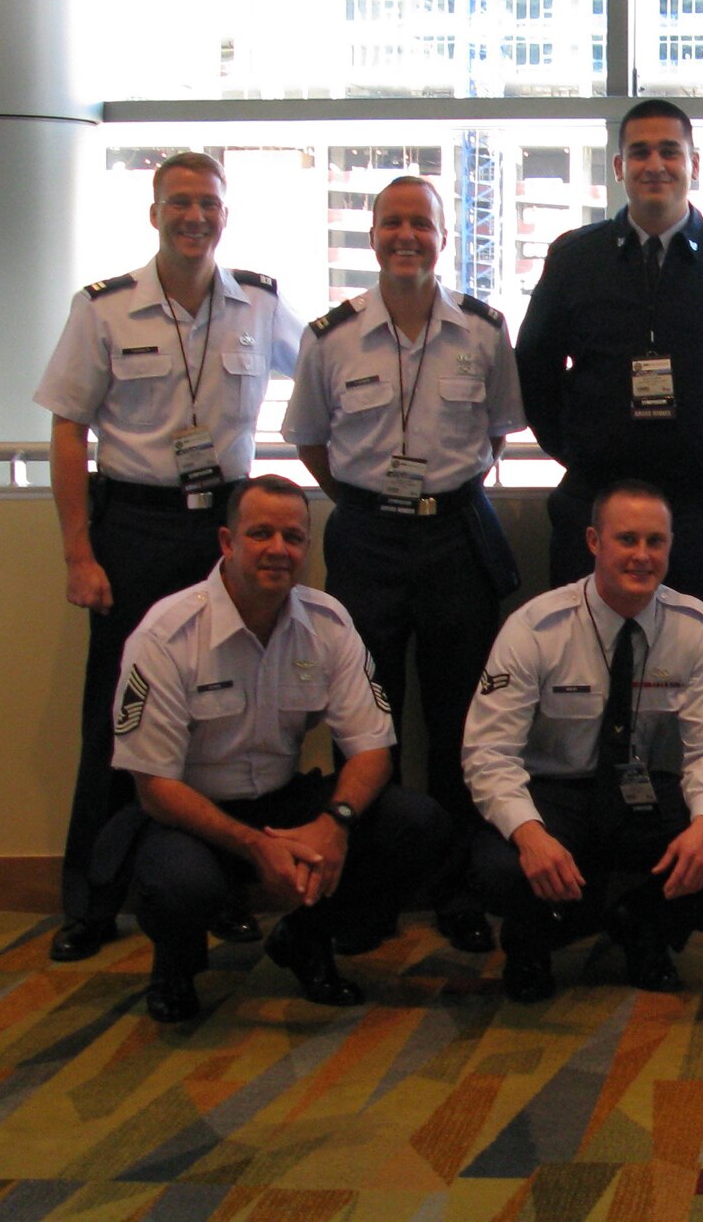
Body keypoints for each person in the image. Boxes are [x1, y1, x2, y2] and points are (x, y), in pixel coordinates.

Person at [34, 151, 301, 962]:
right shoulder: (105, 309)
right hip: (137, 528)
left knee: (226, 716)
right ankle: (93, 898)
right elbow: (68, 429)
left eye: (209, 205)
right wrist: (79, 553)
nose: (195, 218)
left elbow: (330, 366)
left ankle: (219, 892)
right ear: (154, 214)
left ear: (226, 214)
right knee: (119, 718)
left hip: (224, 534)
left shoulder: (260, 303)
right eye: (179, 204)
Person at [281, 176, 525, 957]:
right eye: (392, 222)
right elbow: (312, 442)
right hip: (366, 544)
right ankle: (370, 894)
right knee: (365, 725)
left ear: (445, 236)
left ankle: (456, 890)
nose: (406, 235)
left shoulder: (484, 333)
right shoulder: (331, 336)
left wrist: (430, 500)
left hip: (455, 539)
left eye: (422, 222)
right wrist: (369, 505)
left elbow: (495, 436)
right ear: (373, 234)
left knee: (460, 724)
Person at [110, 477, 449, 1022]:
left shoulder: (327, 625)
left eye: (293, 537)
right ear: (227, 542)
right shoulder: (167, 635)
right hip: (191, 815)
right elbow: (153, 786)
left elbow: (372, 748)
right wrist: (251, 846)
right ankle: (175, 963)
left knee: (417, 823)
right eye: (260, 533)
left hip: (282, 803)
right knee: (179, 886)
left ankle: (306, 940)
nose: (278, 549)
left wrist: (333, 824)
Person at [464, 479, 703, 1002]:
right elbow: (488, 753)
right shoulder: (536, 629)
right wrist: (530, 835)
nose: (641, 556)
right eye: (626, 540)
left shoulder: (694, 628)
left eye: (655, 542)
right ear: (593, 542)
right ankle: (530, 942)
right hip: (560, 794)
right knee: (496, 867)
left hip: (644, 790)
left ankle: (643, 922)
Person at [516, 99, 703, 660]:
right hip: (599, 503)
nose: (655, 165)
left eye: (670, 151)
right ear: (618, 168)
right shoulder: (575, 259)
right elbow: (534, 365)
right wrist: (574, 448)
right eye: (639, 152)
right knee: (584, 674)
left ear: (693, 163)